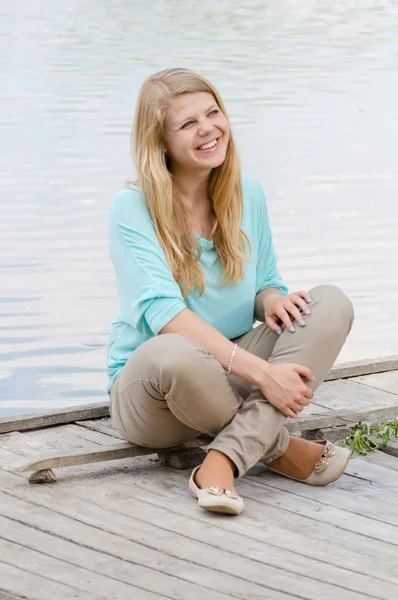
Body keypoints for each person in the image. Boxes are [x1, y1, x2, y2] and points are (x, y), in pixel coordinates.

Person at [107, 67, 354, 516]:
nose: (208, 129)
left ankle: (220, 461)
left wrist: (273, 301)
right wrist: (263, 374)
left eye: (212, 113)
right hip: (153, 393)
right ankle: (283, 449)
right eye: (187, 124)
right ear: (160, 141)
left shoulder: (247, 192)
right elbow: (163, 315)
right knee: (174, 351)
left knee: (330, 303)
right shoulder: (132, 207)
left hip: (228, 374)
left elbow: (265, 281)